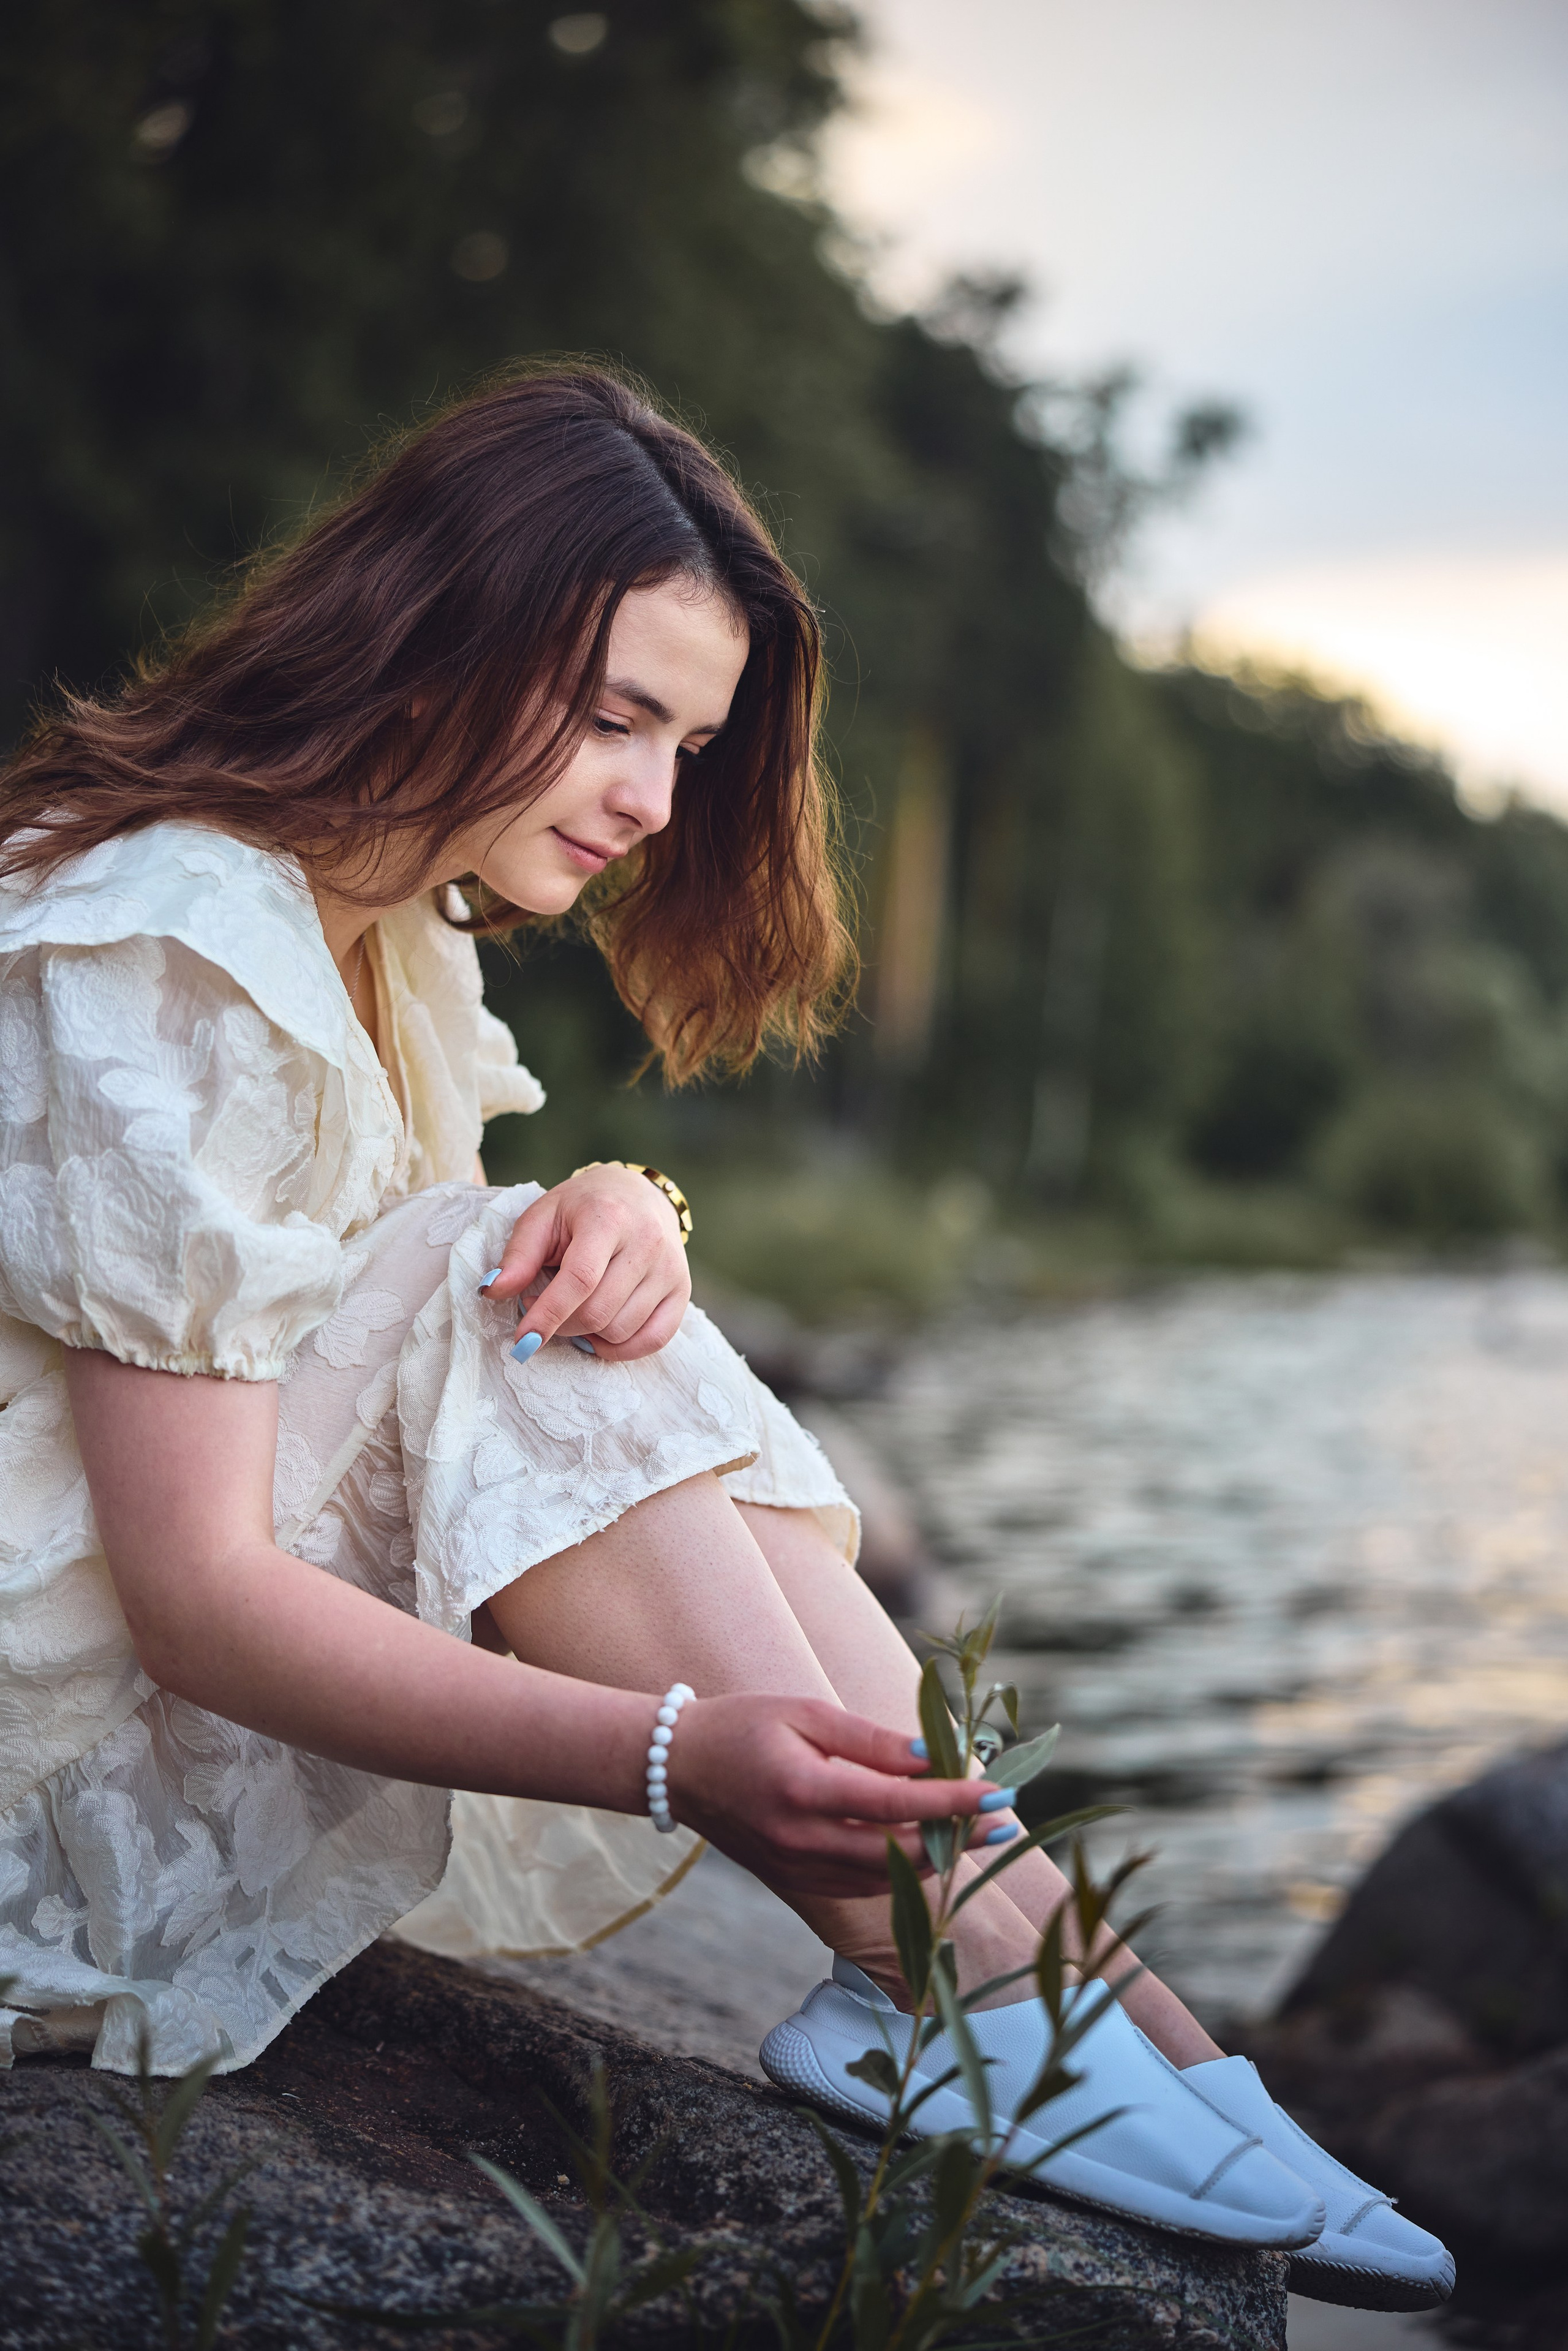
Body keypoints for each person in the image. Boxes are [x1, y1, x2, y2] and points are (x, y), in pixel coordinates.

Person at [0, 366, 1448, 2308]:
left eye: (687, 743)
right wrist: (677, 1757)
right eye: (616, 718)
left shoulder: (377, 930)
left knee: (541, 1263)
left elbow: (346, 1334)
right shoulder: (170, 936)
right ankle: (954, 1974)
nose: (653, 803)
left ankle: (1084, 2004)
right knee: (500, 1268)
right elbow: (192, 1590)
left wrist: (628, 1211)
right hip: (51, 1772)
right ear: (434, 632)